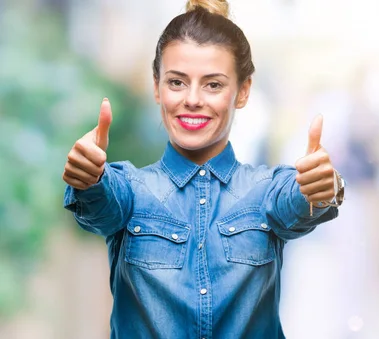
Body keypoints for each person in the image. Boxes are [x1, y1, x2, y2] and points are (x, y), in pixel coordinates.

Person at [61, 1, 345, 338]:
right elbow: (101, 204)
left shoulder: (267, 190)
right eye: (177, 82)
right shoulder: (130, 190)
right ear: (157, 87)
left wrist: (326, 187)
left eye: (213, 84)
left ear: (243, 91)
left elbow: (298, 202)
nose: (193, 99)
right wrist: (89, 178)